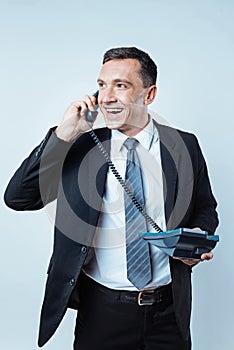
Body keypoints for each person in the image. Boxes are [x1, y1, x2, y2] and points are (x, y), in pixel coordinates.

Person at [4, 47, 219, 350]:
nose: (106, 98)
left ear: (149, 94)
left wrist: (197, 236)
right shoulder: (79, 146)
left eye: (121, 85)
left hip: (169, 313)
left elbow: (205, 207)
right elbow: (18, 198)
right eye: (102, 85)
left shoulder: (184, 145)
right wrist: (63, 134)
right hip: (102, 311)